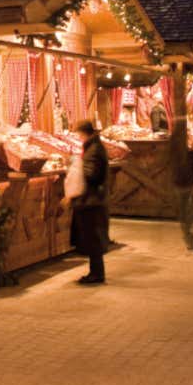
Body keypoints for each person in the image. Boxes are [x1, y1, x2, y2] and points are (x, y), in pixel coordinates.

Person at [69, 120, 110, 285]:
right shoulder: (95, 147)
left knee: (93, 238)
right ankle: (96, 272)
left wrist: (75, 169)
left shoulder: (93, 150)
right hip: (95, 199)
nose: (78, 137)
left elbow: (91, 174)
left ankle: (96, 274)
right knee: (93, 237)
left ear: (83, 133)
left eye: (78, 134)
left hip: (92, 200)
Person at [169, 126, 193, 251]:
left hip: (184, 182)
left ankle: (189, 237)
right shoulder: (184, 150)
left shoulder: (181, 149)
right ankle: (189, 237)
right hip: (183, 182)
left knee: (186, 211)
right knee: (187, 211)